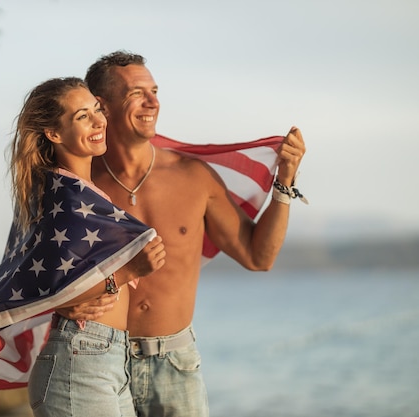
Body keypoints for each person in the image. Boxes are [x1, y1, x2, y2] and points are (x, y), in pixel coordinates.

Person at [56, 51, 306, 416]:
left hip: (174, 363)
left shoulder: (193, 177)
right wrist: (65, 303)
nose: (153, 102)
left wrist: (284, 182)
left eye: (155, 91)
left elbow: (258, 257)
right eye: (135, 93)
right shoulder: (79, 183)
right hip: (96, 360)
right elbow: (40, 273)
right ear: (102, 106)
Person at [10, 76, 166, 417]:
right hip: (80, 361)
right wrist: (129, 271)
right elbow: (53, 290)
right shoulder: (64, 197)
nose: (99, 121)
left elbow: (59, 284)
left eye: (97, 110)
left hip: (108, 358)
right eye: (83, 116)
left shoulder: (83, 193)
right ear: (54, 133)